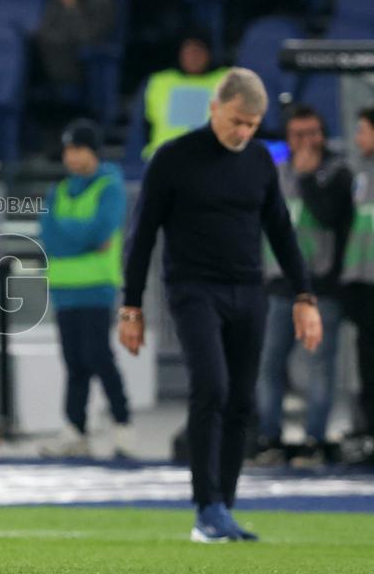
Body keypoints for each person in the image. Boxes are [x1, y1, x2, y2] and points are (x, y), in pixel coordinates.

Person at [119, 68, 323, 543]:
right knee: (211, 385)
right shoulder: (173, 159)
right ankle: (206, 508)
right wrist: (131, 307)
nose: (244, 133)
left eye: (252, 125)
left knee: (241, 400)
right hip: (193, 289)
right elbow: (142, 237)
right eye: (237, 121)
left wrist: (304, 296)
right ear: (215, 107)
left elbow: (281, 233)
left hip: (249, 289)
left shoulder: (258, 162)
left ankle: (223, 508)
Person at [256, 105, 353, 467]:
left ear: (323, 133)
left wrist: (309, 179)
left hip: (320, 287)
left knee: (319, 366)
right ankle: (270, 439)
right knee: (269, 364)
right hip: (280, 285)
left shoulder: (336, 173)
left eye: (312, 133)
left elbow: (331, 217)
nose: (305, 141)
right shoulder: (276, 174)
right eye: (297, 134)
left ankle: (314, 439)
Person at [39, 119, 134, 458]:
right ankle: (75, 428)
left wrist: (72, 237)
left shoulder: (110, 187)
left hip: (97, 286)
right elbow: (51, 237)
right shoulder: (59, 191)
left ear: (93, 151)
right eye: (67, 150)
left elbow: (99, 232)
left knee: (98, 357)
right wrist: (80, 239)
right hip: (65, 289)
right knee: (74, 361)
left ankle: (123, 423)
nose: (71, 157)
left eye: (77, 149)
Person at [127, 33, 229, 164]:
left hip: (213, 160)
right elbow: (141, 128)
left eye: (198, 51)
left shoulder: (227, 79)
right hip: (164, 159)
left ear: (209, 53)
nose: (194, 57)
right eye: (188, 51)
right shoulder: (159, 81)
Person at [36, 0, 117, 87]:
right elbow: (44, 29)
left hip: (79, 57)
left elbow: (87, 36)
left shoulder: (101, 1)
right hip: (53, 50)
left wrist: (72, 7)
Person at [343, 108, 374, 443]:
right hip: (363, 284)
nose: (357, 138)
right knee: (366, 364)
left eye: (363, 130)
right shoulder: (359, 172)